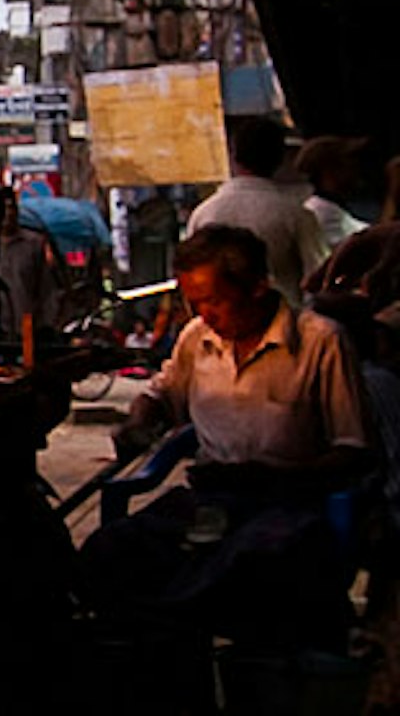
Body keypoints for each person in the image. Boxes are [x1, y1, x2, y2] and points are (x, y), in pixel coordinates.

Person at [82, 225, 371, 650]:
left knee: (246, 564)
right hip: (209, 504)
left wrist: (271, 476)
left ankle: (181, 636)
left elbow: (353, 452)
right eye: (194, 302)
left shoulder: (320, 342)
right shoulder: (197, 339)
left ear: (257, 287)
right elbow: (160, 395)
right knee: (109, 549)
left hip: (288, 506)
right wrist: (139, 422)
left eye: (214, 300)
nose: (204, 314)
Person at [183, 118, 326, 305]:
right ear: (280, 158)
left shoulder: (203, 214)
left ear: (232, 156)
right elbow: (318, 280)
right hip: (285, 324)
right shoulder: (296, 215)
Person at [0, 193, 58, 339]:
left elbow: (47, 290)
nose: (8, 214)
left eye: (12, 208)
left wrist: (46, 325)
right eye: (4, 209)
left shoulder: (33, 244)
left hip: (27, 329)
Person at [297, 136, 372, 252]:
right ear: (329, 171)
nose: (357, 167)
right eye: (349, 161)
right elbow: (374, 248)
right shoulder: (322, 215)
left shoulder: (334, 206)